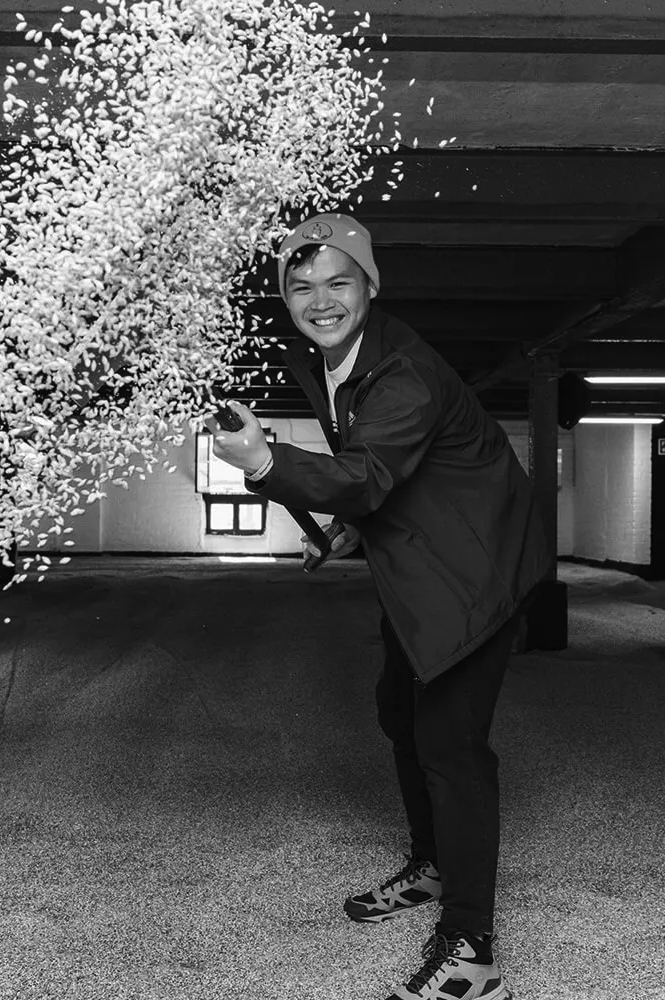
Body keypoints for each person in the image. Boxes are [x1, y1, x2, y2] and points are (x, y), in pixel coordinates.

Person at [206, 213, 549, 1000]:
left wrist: (264, 462)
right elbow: (375, 476)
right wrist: (341, 527)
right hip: (417, 559)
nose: (320, 299)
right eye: (302, 285)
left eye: (338, 281)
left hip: (473, 570)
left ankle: (472, 952)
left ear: (370, 285)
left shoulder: (403, 374)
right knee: (400, 710)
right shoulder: (335, 360)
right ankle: (433, 865)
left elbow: (365, 477)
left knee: (452, 748)